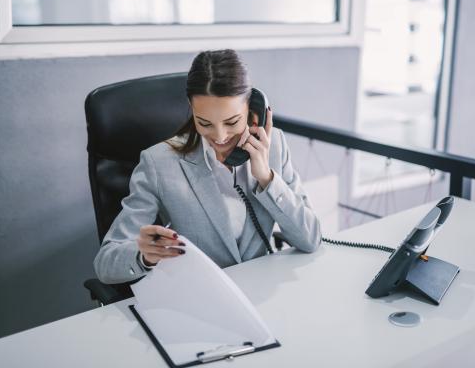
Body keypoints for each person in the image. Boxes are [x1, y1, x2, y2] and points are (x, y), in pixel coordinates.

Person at [94, 49, 321, 284]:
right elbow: (105, 262)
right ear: (192, 110)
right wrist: (144, 257)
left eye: (232, 122)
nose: (220, 136)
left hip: (262, 289)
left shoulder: (274, 147)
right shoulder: (159, 163)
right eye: (204, 123)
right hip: (200, 296)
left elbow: (310, 239)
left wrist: (266, 177)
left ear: (253, 112)